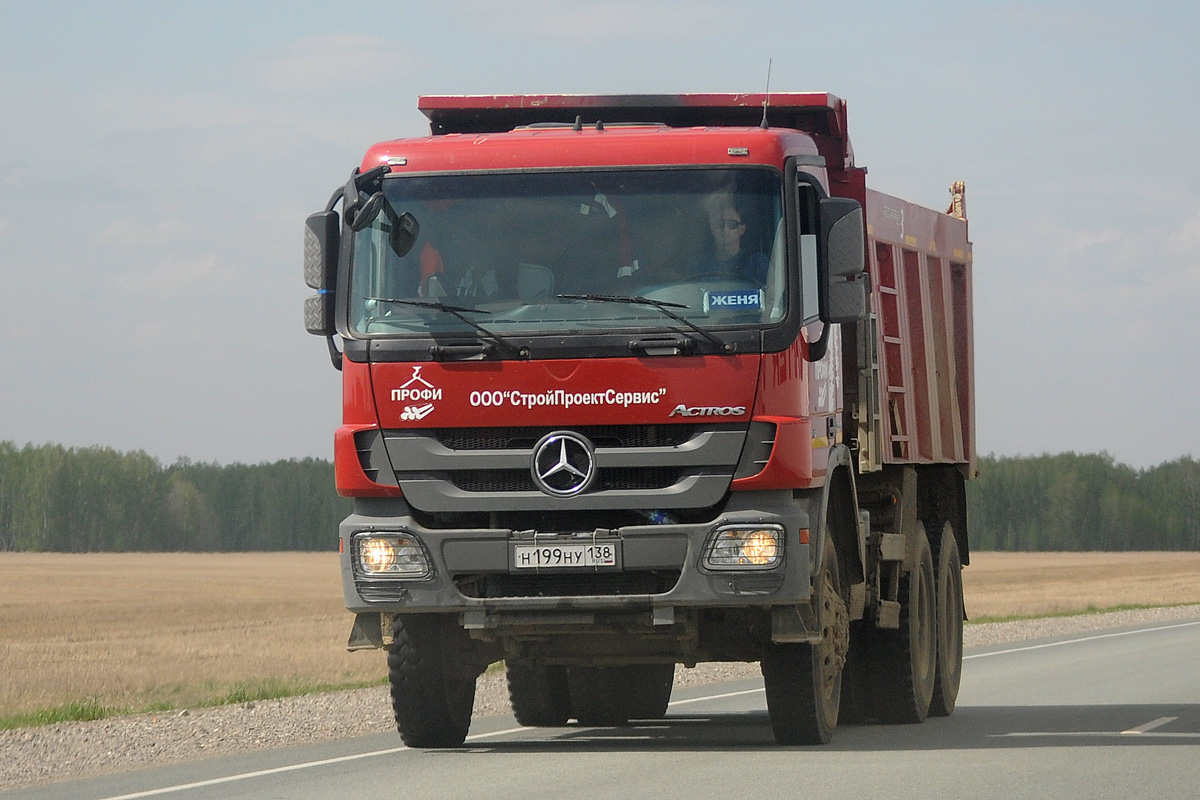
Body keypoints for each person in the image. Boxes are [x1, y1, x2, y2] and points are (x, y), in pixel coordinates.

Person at [686, 197, 769, 284]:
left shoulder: (757, 262)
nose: (725, 229)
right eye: (720, 224)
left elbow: (771, 293)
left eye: (732, 224)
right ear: (712, 229)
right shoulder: (698, 264)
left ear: (742, 229)